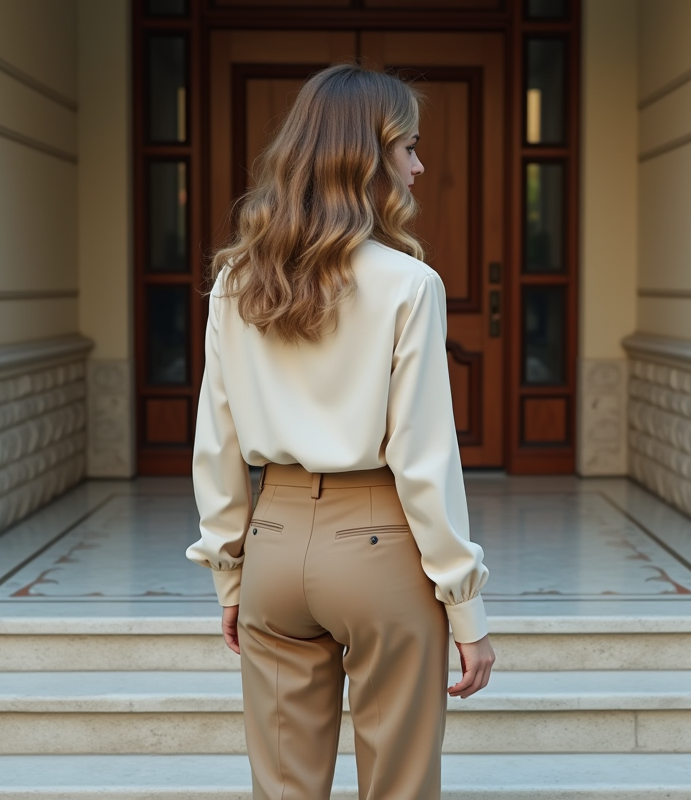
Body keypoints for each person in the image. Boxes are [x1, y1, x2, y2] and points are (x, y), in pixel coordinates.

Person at [187, 62, 495, 800]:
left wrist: (229, 575)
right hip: (378, 546)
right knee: (398, 786)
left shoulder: (236, 280)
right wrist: (466, 606)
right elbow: (424, 458)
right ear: (368, 157)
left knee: (284, 788)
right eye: (409, 147)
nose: (420, 167)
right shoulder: (409, 284)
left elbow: (216, 438)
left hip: (274, 544)